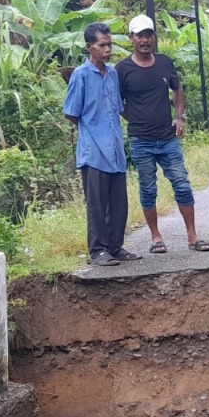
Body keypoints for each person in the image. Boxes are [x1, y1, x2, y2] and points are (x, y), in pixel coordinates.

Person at [116, 13, 209, 253]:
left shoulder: (165, 63)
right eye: (140, 35)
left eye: (149, 35)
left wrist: (180, 117)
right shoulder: (122, 69)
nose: (145, 40)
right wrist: (134, 117)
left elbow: (177, 90)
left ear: (154, 38)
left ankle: (192, 236)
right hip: (141, 140)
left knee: (182, 184)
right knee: (148, 188)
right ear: (131, 38)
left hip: (168, 138)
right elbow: (117, 102)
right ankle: (156, 237)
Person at [63, 23, 138, 267]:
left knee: (118, 203)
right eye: (102, 45)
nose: (107, 49)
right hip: (93, 151)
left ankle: (115, 246)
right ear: (90, 47)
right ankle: (98, 251)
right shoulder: (81, 75)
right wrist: (91, 132)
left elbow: (118, 107)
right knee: (97, 204)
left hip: (115, 149)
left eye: (109, 44)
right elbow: (72, 113)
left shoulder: (113, 73)